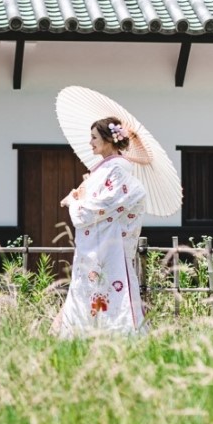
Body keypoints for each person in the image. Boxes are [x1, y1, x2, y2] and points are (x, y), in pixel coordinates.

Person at [55, 117, 147, 337]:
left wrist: (74, 202)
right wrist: (81, 195)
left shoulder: (117, 172)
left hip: (110, 248)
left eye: (95, 137)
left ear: (108, 139)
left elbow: (95, 209)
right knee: (91, 287)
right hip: (98, 246)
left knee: (111, 289)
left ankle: (113, 336)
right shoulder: (104, 171)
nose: (90, 142)